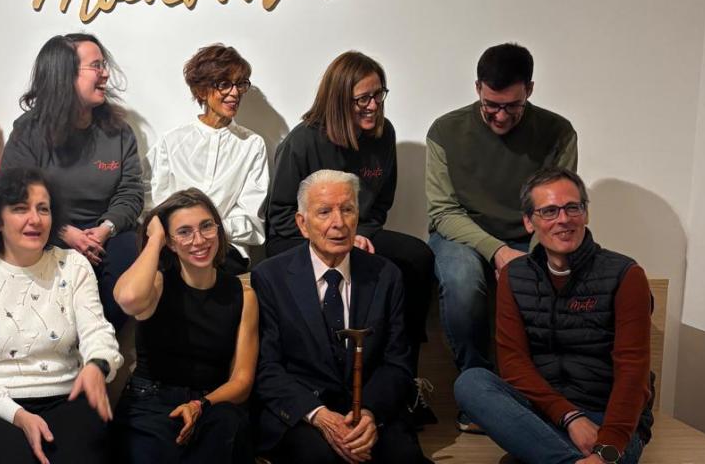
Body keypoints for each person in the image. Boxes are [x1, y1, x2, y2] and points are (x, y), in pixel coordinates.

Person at [263, 51, 435, 421]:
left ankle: (406, 380)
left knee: (417, 256)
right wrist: (327, 237)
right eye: (363, 99)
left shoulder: (383, 134)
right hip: (298, 240)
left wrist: (361, 235)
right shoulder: (302, 142)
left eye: (379, 95)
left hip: (357, 233)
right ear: (340, 99)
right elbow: (278, 217)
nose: (374, 106)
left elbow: (380, 203)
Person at [454, 168, 654, 464]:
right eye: (549, 211)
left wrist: (606, 451)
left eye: (573, 207)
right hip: (544, 416)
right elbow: (513, 365)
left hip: (611, 422)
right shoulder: (514, 276)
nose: (563, 219)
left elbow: (633, 373)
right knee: (471, 382)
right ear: (528, 222)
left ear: (585, 214)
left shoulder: (627, 275)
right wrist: (570, 417)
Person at [426, 42, 577, 430]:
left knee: (554, 281)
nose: (500, 115)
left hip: (531, 236)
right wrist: (496, 252)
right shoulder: (445, 131)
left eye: (512, 105)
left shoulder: (558, 132)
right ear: (478, 87)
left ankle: (542, 395)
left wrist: (527, 256)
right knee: (462, 282)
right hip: (462, 233)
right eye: (490, 104)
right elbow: (443, 210)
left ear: (529, 89)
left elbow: (555, 207)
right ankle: (478, 394)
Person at [0, 167, 123, 464]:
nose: (35, 220)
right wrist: (19, 416)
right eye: (20, 209)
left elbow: (97, 332)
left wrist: (97, 366)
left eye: (43, 209)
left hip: (66, 399)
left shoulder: (73, 265)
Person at [252, 169, 430, 464]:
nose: (339, 223)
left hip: (369, 412)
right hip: (304, 413)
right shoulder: (270, 277)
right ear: (303, 223)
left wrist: (369, 414)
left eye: (347, 210)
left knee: (404, 457)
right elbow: (267, 368)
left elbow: (397, 363)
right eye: (324, 212)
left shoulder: (386, 275)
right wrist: (318, 415)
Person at [2, 33, 143, 331]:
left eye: (104, 65)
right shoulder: (29, 131)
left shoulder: (118, 131)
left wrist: (105, 229)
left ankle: (99, 349)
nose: (105, 73)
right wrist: (65, 233)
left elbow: (130, 192)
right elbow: (14, 196)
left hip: (106, 234)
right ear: (64, 75)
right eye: (96, 66)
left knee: (128, 255)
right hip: (47, 232)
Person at [113, 188, 258, 462]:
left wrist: (200, 404)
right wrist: (154, 239)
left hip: (211, 404)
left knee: (229, 429)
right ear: (170, 241)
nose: (199, 240)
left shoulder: (243, 295)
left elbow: (241, 380)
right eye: (184, 232)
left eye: (206, 227)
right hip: (150, 403)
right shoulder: (156, 283)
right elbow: (129, 298)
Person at [146, 44, 268, 276]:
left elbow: (251, 219)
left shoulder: (252, 144)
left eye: (240, 84)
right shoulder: (172, 142)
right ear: (201, 91)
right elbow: (153, 202)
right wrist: (185, 234)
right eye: (224, 84)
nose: (235, 93)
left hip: (226, 251)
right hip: (175, 250)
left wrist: (207, 232)